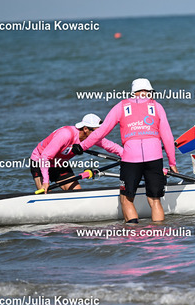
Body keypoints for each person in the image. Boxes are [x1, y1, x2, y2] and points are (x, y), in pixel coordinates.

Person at [74, 78, 178, 223]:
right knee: (155, 200)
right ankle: (158, 234)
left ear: (133, 92)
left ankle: (133, 234)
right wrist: (172, 163)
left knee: (126, 199)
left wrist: (82, 146)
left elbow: (102, 131)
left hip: (131, 158)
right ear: (148, 92)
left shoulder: (121, 106)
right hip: (154, 158)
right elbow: (167, 136)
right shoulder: (157, 106)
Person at [30, 113, 123, 194]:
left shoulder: (93, 136)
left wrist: (127, 156)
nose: (99, 134)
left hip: (59, 163)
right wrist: (45, 181)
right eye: (97, 131)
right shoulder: (65, 135)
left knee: (76, 192)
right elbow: (45, 157)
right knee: (46, 192)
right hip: (40, 161)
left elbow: (112, 146)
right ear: (86, 129)